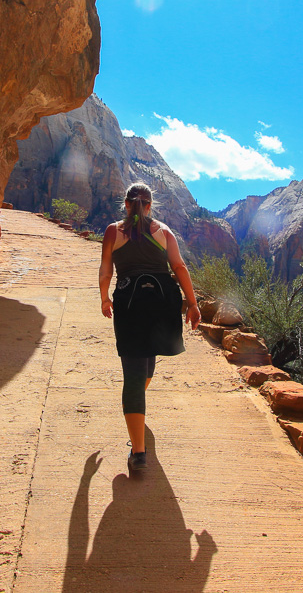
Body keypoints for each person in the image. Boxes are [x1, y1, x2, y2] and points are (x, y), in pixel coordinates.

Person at [99, 183, 201, 473]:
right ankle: (138, 420)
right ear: (149, 205)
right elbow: (179, 267)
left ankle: (139, 453)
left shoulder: (113, 231)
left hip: (129, 303)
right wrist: (192, 304)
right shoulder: (164, 231)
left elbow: (106, 269)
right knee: (147, 366)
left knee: (134, 375)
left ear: (127, 204)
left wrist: (104, 297)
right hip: (161, 304)